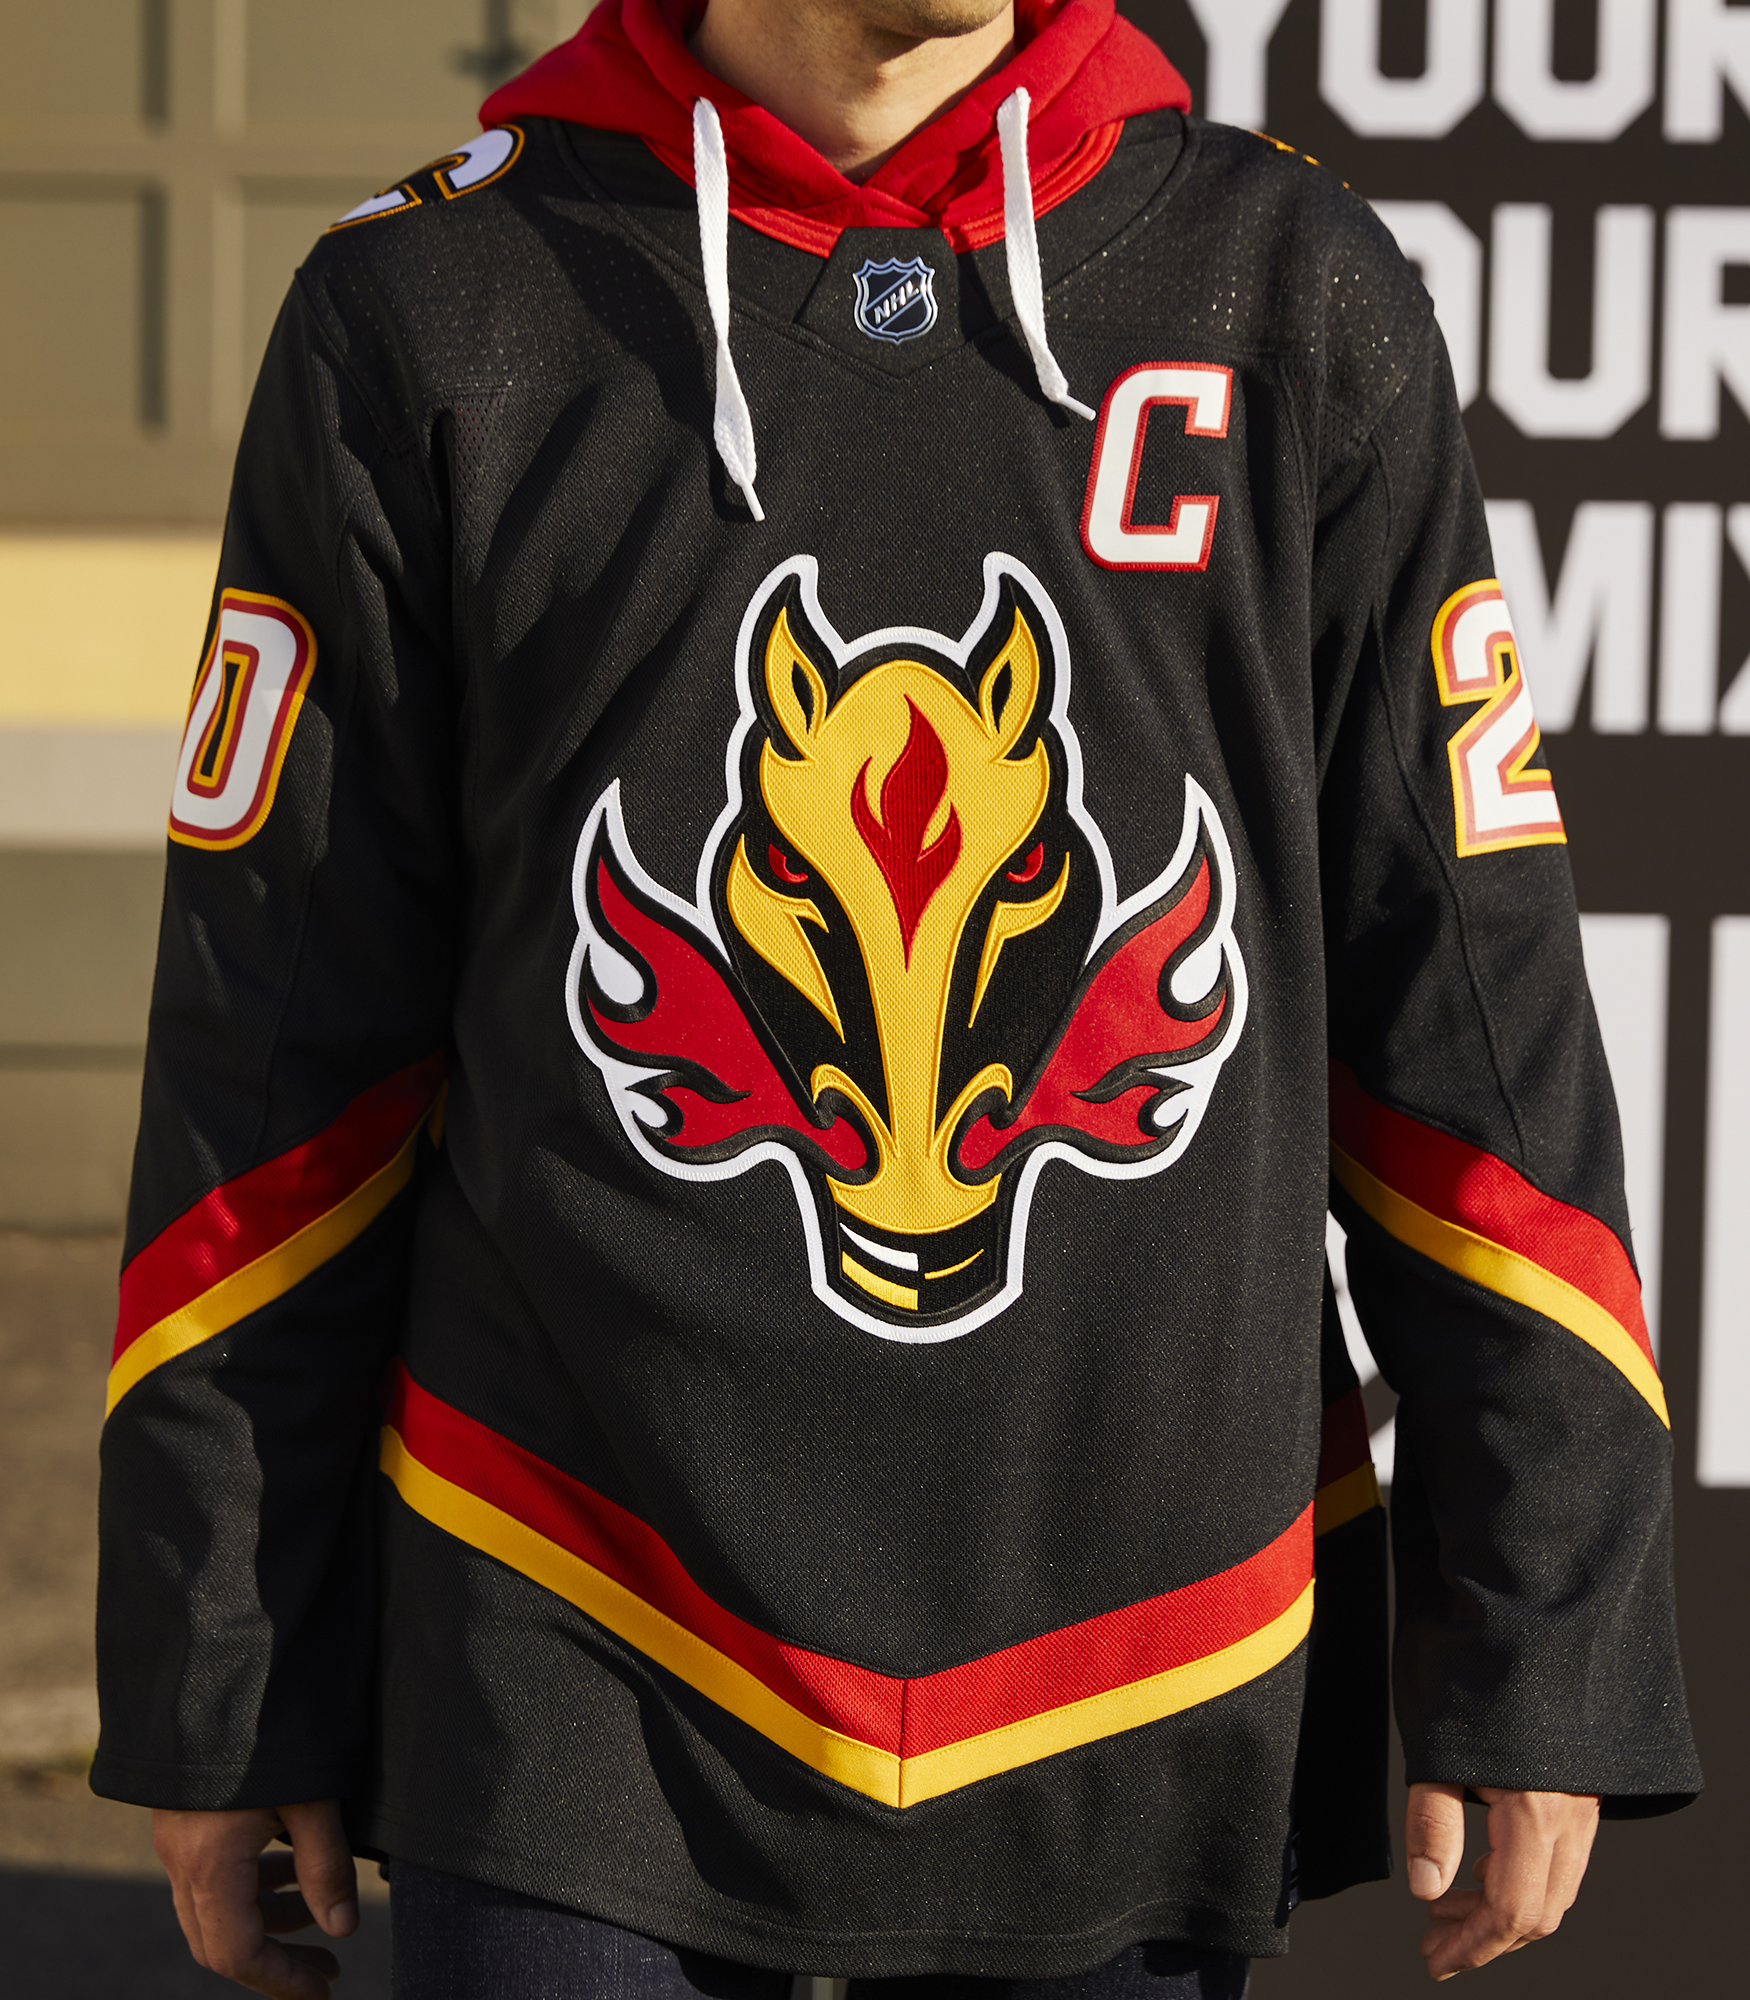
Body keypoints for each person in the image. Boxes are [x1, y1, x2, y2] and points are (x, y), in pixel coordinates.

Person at [93, 2, 1701, 1996]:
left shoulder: (1291, 287)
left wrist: (1546, 1632)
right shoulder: (431, 303)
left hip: (1136, 1652)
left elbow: (1465, 1000)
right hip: (571, 1630)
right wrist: (223, 1658)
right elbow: (276, 1050)